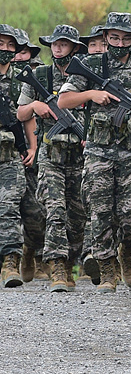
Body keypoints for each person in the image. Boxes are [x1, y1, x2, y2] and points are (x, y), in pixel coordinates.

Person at [58, 12, 131, 294]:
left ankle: (127, 252)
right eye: (114, 37)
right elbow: (63, 100)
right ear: (106, 38)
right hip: (99, 152)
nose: (120, 43)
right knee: (99, 212)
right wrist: (90, 95)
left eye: (125, 38)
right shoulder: (91, 64)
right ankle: (107, 269)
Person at [16, 25, 88, 292]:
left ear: (74, 48)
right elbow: (21, 114)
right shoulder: (40, 75)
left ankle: (69, 264)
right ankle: (56, 266)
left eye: (64, 44)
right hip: (51, 155)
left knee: (78, 216)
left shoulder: (84, 76)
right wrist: (35, 106)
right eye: (54, 44)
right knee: (55, 210)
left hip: (80, 157)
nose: (57, 48)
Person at [0, 24, 35, 287]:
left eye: (11, 46)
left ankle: (10, 262)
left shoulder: (20, 80)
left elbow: (26, 117)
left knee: (9, 206)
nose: (6, 50)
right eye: (2, 44)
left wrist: (32, 146)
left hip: (10, 155)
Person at [11, 29, 47, 283]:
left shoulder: (37, 76)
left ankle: (32, 251)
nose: (20, 56)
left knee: (36, 212)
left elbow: (33, 115)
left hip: (30, 152)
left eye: (25, 52)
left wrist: (34, 147)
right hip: (9, 151)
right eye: (17, 50)